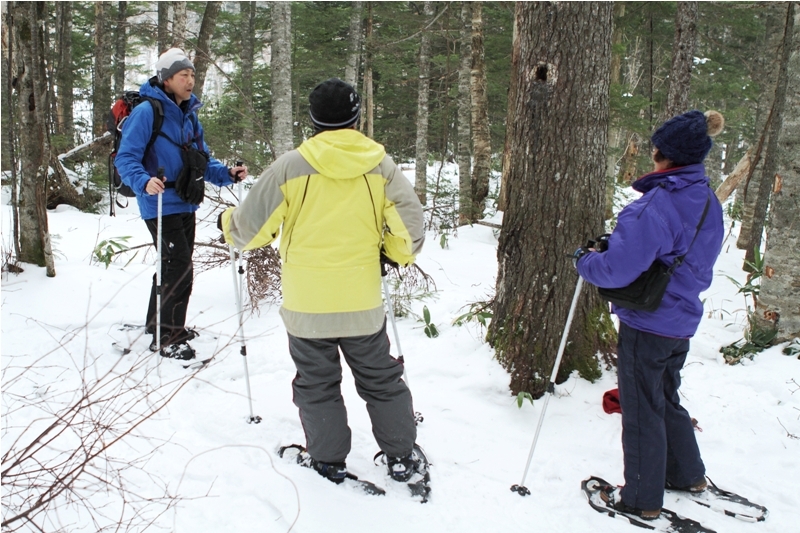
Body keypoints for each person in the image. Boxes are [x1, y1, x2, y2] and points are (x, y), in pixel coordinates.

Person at [219, 78, 425, 484]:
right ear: (356, 117)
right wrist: (394, 253)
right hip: (361, 300)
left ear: (312, 119)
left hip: (307, 303)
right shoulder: (380, 165)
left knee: (316, 384)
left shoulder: (290, 167)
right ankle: (401, 455)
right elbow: (410, 227)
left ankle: (328, 461)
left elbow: (249, 230)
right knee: (381, 379)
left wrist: (227, 224)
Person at [574, 110, 725, 520]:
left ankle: (642, 499)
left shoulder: (657, 205)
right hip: (681, 317)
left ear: (664, 154)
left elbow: (616, 269)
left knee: (641, 407)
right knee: (665, 397)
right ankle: (686, 474)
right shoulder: (706, 199)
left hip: (648, 321)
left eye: (656, 148)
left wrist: (585, 261)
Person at [115, 48, 247, 361]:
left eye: (192, 75)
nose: (190, 81)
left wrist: (227, 174)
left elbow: (201, 160)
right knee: (180, 268)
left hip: (186, 201)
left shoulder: (188, 115)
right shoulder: (147, 112)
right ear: (166, 79)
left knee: (171, 265)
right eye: (183, 75)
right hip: (159, 202)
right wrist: (144, 181)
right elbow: (126, 157)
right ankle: (168, 337)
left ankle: (157, 324)